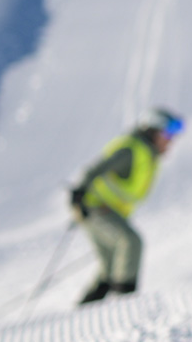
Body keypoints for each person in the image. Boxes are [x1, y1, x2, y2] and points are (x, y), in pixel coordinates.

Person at [69, 110, 183, 305]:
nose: (170, 141)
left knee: (110, 266)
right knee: (130, 242)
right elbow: (100, 167)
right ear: (152, 131)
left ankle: (85, 310)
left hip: (106, 211)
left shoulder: (148, 155)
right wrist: (80, 191)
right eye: (166, 135)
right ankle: (125, 302)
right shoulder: (132, 150)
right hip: (96, 207)